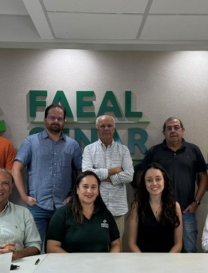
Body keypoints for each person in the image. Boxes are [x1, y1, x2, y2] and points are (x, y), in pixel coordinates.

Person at [12, 104, 82, 244]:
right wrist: (24, 197)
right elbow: (15, 169)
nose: (56, 121)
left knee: (62, 249)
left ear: (64, 121)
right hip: (37, 207)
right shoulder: (31, 142)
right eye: (52, 117)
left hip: (63, 208)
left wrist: (74, 195)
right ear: (45, 119)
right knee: (33, 248)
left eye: (59, 118)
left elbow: (80, 173)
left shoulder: (72, 145)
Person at [139, 117, 208, 253]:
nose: (173, 131)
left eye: (176, 127)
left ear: (183, 130)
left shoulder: (193, 150)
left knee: (189, 250)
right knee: (160, 248)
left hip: (186, 210)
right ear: (164, 132)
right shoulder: (154, 151)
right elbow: (142, 175)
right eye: (169, 128)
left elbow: (203, 177)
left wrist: (196, 202)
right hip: (161, 210)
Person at [82, 115, 134, 238]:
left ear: (114, 129)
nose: (106, 128)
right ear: (97, 129)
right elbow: (86, 174)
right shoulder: (89, 149)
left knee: (117, 245)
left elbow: (129, 176)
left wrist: (103, 177)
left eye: (109, 126)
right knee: (95, 244)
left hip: (118, 208)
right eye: (102, 126)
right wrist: (114, 171)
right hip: (95, 208)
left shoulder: (123, 150)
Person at [46, 171, 121, 253]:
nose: (89, 191)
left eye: (94, 187)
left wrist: (110, 259)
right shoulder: (62, 214)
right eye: (85, 186)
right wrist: (72, 260)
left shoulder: (105, 214)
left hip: (101, 261)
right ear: (77, 189)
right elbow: (51, 247)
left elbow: (116, 244)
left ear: (98, 191)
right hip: (70, 261)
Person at [128, 163, 183, 253]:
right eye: (149, 180)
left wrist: (167, 260)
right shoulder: (137, 206)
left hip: (169, 259)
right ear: (144, 183)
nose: (154, 183)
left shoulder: (175, 206)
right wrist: (142, 259)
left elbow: (178, 244)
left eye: (158, 179)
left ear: (164, 180)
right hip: (143, 259)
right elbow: (132, 243)